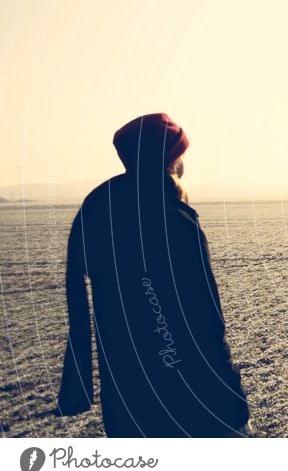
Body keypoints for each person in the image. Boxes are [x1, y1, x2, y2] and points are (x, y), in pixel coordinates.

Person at [56, 113, 251, 437]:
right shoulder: (175, 221)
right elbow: (205, 327)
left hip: (127, 401)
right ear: (172, 160)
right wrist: (233, 405)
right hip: (194, 404)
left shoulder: (100, 215)